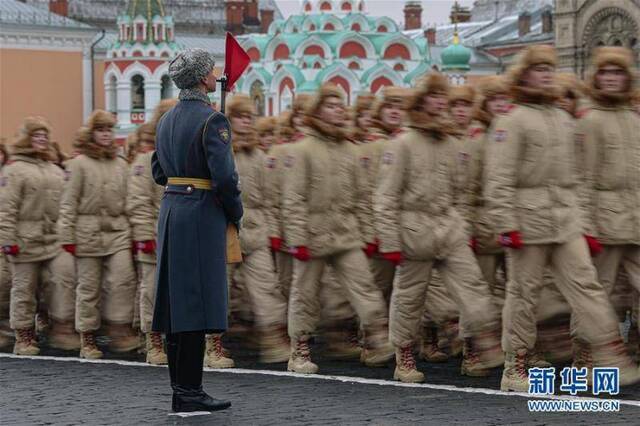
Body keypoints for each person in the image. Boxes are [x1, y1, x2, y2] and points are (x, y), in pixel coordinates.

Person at [485, 45, 639, 392]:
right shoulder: (510, 120)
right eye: (537, 68)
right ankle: (515, 364)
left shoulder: (564, 119)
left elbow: (577, 178)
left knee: (587, 287)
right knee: (523, 293)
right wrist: (505, 224)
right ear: (522, 74)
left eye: (548, 68)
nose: (544, 74)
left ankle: (608, 350)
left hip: (566, 220)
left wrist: (582, 222)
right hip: (528, 222)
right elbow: (498, 178)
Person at [375, 74, 502, 383]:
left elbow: (461, 191)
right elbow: (385, 196)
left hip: (449, 229)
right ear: (421, 100)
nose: (440, 102)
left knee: (473, 288)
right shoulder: (402, 143)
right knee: (409, 298)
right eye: (434, 96)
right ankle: (404, 354)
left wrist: (462, 226)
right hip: (414, 230)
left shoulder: (453, 143)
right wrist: (390, 241)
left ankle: (477, 346)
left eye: (443, 96)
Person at [152, 48, 242, 413]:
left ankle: (183, 389)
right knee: (194, 302)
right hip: (201, 213)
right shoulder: (213, 121)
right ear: (204, 79)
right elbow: (225, 178)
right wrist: (235, 212)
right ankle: (189, 391)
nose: (216, 74)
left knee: (177, 303)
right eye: (212, 70)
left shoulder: (165, 121)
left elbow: (159, 173)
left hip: (172, 211)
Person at [282, 84, 393, 374]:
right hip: (312, 233)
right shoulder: (302, 150)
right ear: (317, 111)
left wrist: (369, 234)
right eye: (331, 105)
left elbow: (363, 196)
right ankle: (299, 349)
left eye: (340, 105)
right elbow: (292, 198)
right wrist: (296, 239)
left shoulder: (350, 150)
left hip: (346, 231)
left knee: (365, 286)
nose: (338, 110)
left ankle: (376, 336)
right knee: (304, 293)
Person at [205, 94, 289, 368]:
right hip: (222, 229)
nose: (245, 122)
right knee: (219, 290)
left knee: (266, 286)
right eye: (240, 116)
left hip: (254, 230)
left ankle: (272, 339)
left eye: (249, 117)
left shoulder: (259, 156)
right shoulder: (216, 151)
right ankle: (212, 345)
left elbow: (270, 199)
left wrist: (272, 230)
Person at [575, 46, 640, 373]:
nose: (611, 79)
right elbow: (582, 178)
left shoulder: (633, 118)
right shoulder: (590, 120)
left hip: (635, 219)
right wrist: (586, 227)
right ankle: (587, 356)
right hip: (604, 221)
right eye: (605, 73)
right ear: (596, 79)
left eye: (617, 73)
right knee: (598, 294)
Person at [58, 111, 138, 359]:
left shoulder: (121, 164)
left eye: (109, 130)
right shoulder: (79, 164)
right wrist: (67, 236)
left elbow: (130, 201)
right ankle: (88, 337)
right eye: (101, 130)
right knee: (89, 288)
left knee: (123, 282)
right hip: (87, 233)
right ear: (91, 133)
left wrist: (135, 232)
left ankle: (119, 329)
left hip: (117, 233)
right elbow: (68, 202)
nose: (105, 135)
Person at [0, 117, 76, 355]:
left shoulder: (54, 169)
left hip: (53, 240)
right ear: (26, 139)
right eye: (36, 135)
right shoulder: (13, 170)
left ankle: (59, 328)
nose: (42, 139)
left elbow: (65, 204)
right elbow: (6, 207)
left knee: (62, 281)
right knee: (24, 289)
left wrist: (66, 234)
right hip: (25, 241)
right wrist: (8, 240)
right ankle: (23, 337)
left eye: (44, 135)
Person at [127, 99, 177, 365]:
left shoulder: (187, 156)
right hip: (155, 236)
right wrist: (146, 236)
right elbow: (138, 203)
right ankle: (153, 339)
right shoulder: (145, 160)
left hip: (179, 235)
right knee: (152, 291)